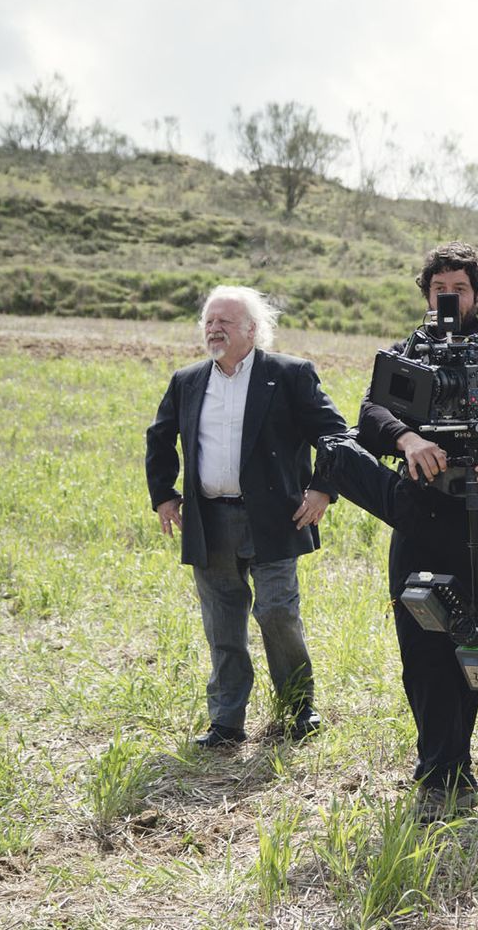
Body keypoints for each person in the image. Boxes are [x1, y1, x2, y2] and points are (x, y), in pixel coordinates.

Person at [354, 241, 478, 820]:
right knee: (421, 649)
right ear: (426, 295)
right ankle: (434, 770)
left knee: (475, 643)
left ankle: (456, 772)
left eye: (458, 289)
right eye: (438, 289)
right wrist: (408, 438)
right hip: (420, 518)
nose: (448, 299)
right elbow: (369, 416)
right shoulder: (406, 358)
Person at [145, 285, 347, 749]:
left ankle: (299, 711)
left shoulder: (290, 374)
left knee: (277, 612)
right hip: (209, 520)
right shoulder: (188, 380)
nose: (214, 329)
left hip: (276, 518)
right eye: (209, 322)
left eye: (225, 322)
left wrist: (322, 489)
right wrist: (164, 496)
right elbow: (159, 438)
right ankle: (226, 722)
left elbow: (335, 434)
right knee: (222, 622)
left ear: (253, 330)